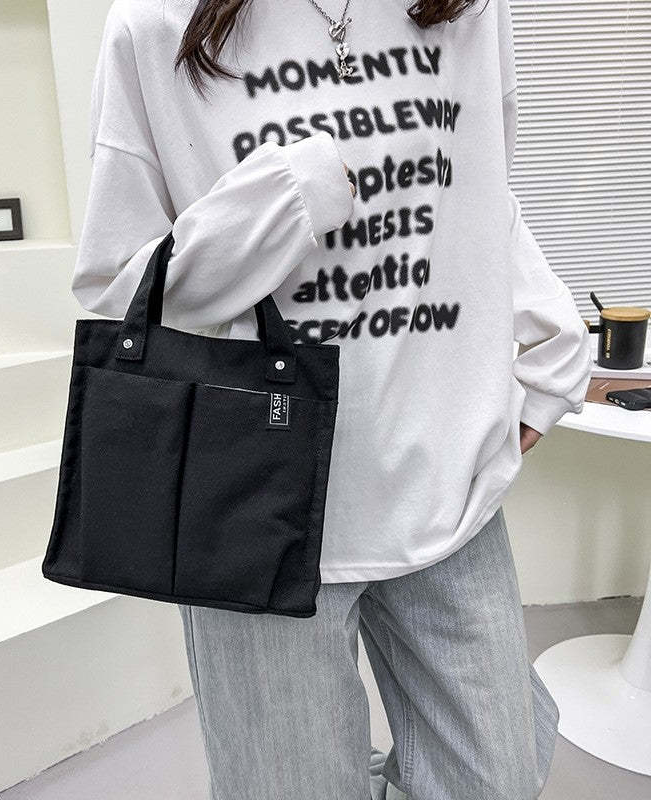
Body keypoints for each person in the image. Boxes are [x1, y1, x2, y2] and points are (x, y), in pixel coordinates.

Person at [72, 0, 592, 797]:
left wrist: (551, 334)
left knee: (498, 778)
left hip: (447, 477)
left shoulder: (464, 8)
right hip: (249, 500)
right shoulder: (156, 22)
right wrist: (289, 196)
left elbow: (479, 191)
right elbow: (119, 292)